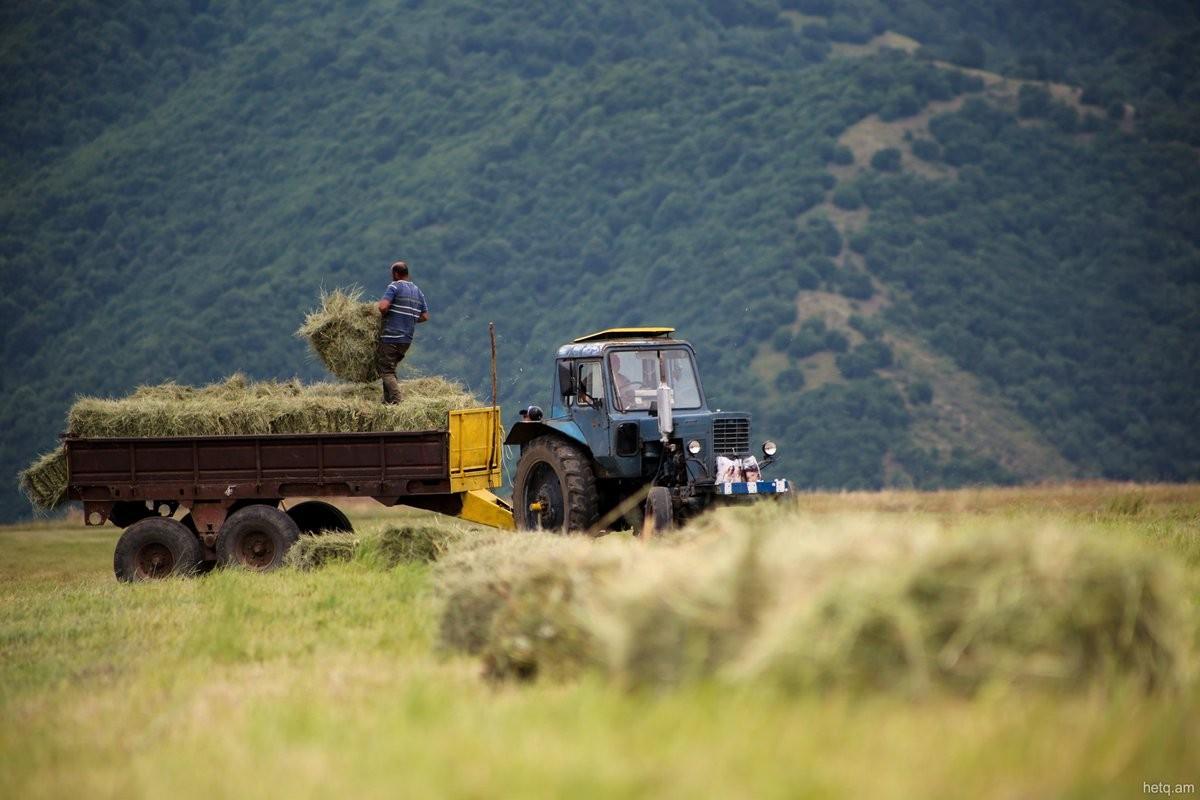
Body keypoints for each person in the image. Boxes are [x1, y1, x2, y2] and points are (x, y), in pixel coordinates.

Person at [376, 260, 429, 404]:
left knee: (386, 371)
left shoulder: (394, 286)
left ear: (395, 273)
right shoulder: (418, 291)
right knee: (390, 369)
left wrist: (386, 311)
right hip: (406, 340)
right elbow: (425, 316)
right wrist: (409, 318)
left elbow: (382, 307)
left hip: (391, 337)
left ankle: (398, 402)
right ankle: (388, 403)